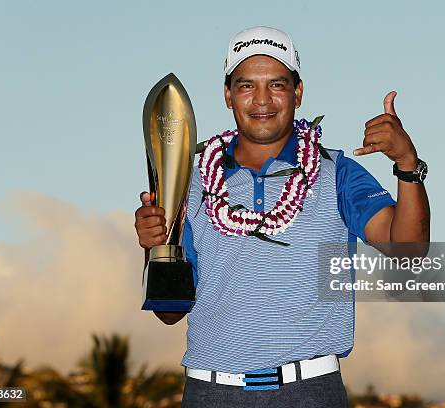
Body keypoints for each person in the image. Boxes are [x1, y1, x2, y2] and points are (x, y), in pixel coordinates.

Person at [135, 26, 430, 408]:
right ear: (228, 95)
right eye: (246, 86)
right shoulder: (189, 183)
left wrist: (407, 165)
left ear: (298, 92)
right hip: (211, 393)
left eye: (276, 84)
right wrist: (156, 244)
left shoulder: (336, 172)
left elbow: (408, 251)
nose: (262, 100)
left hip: (308, 392)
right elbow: (170, 312)